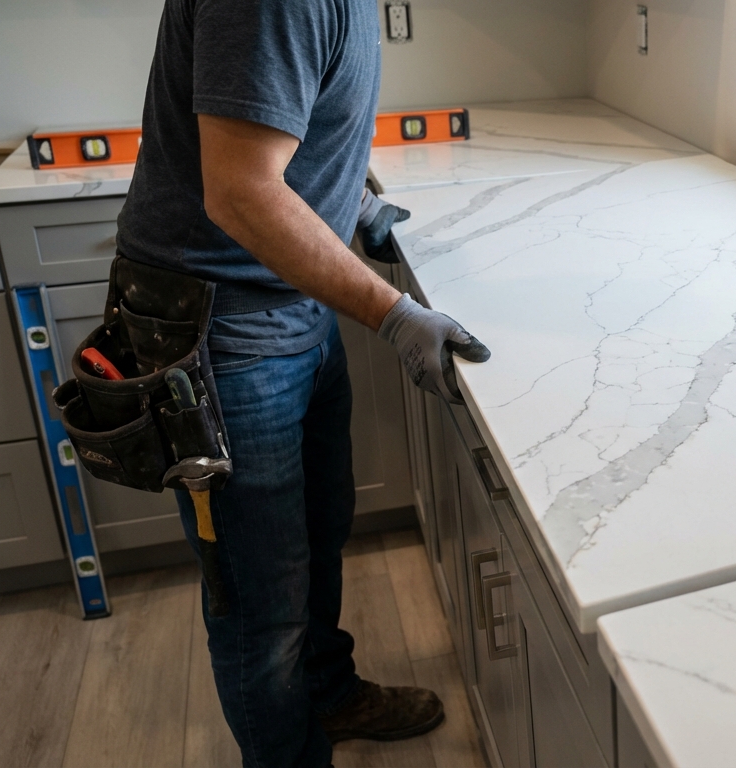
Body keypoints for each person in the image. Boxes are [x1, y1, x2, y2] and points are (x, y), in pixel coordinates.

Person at [114, 2, 489, 766]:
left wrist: (347, 197)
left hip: (287, 309)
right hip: (219, 331)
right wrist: (393, 315)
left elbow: (286, 127)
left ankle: (327, 693)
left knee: (317, 538)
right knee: (260, 603)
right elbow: (241, 190)